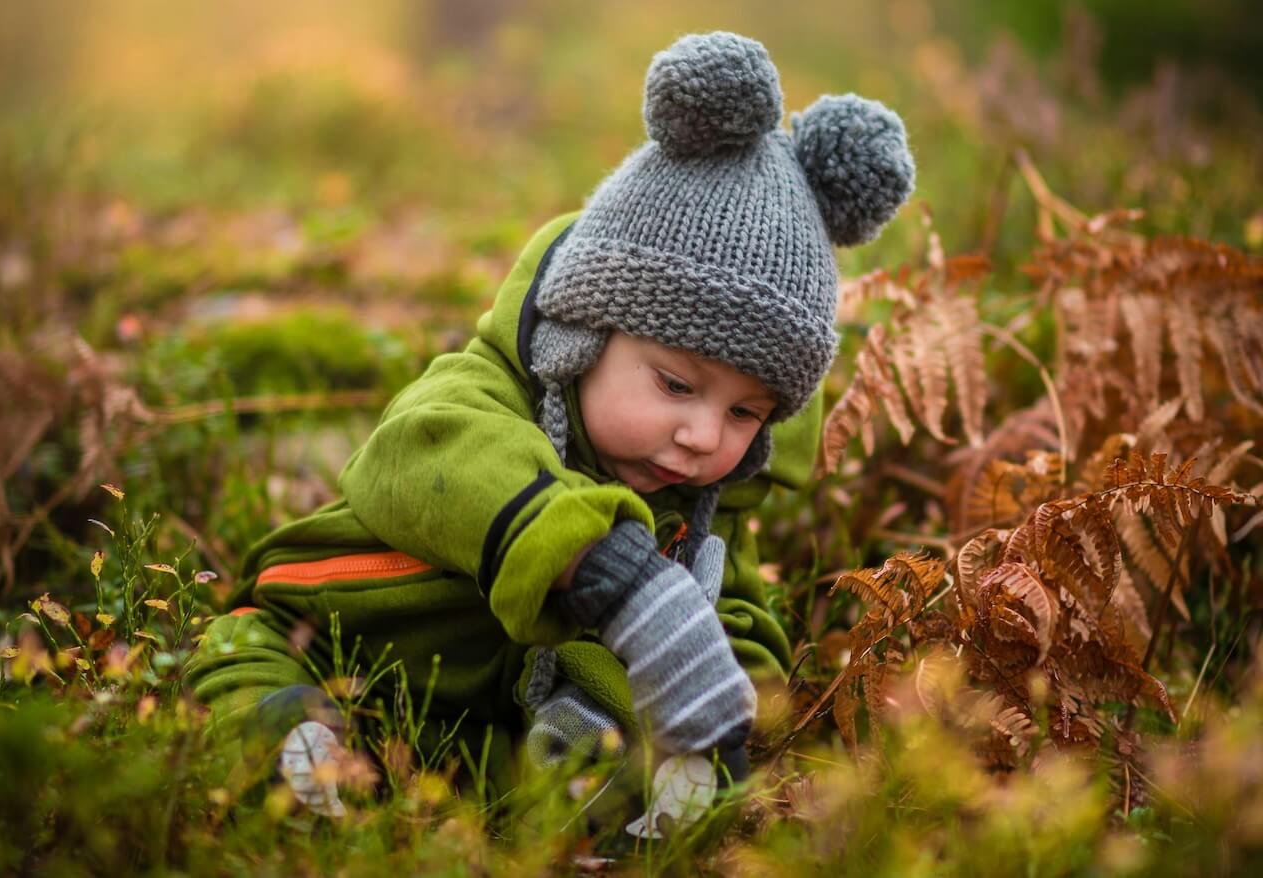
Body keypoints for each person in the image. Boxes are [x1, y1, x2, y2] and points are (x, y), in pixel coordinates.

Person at [184, 30, 914, 825]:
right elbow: (423, 453)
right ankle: (292, 745)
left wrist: (723, 711)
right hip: (331, 637)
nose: (705, 435)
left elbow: (733, 609)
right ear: (583, 337)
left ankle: (579, 787)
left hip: (476, 725)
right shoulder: (480, 395)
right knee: (246, 660)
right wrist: (606, 567)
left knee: (623, 739)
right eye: (676, 385)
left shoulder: (703, 502)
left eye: (746, 412)